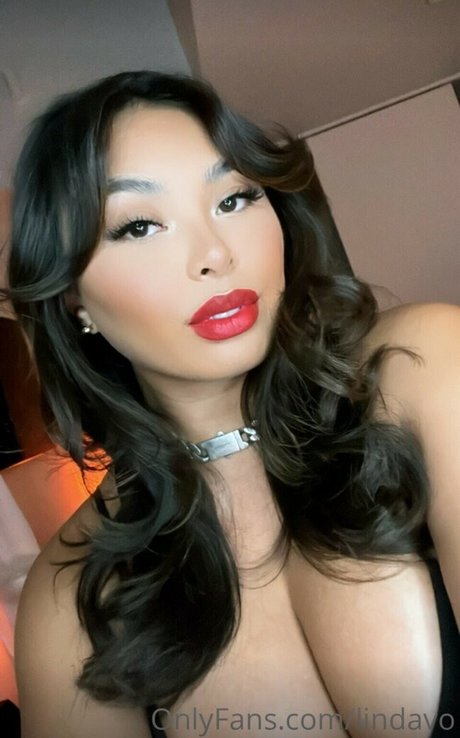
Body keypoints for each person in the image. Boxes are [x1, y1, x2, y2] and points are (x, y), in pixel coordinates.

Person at [3, 70, 459, 738]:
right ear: (73, 297)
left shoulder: (427, 366)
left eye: (235, 197)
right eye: (139, 225)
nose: (215, 254)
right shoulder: (68, 599)